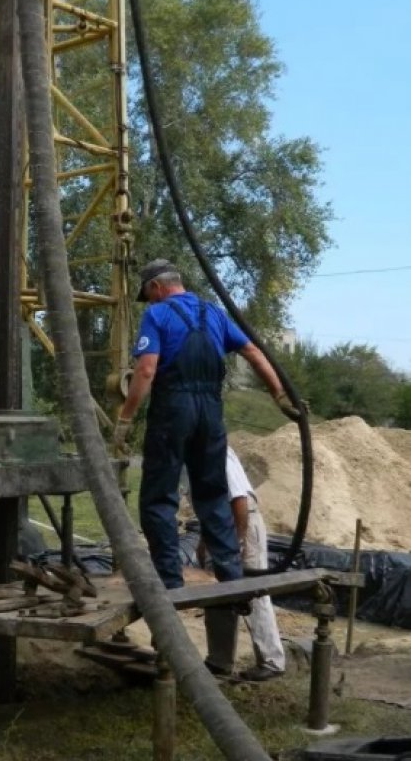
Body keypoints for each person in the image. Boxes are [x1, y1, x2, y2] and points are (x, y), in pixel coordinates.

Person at [113, 259, 299, 674]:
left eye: (149, 292)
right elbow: (253, 350)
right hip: (211, 411)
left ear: (158, 287)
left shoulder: (157, 314)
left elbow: (146, 369)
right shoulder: (214, 312)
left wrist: (125, 418)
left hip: (173, 407)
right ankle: (232, 583)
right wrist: (279, 395)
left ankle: (169, 582)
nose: (149, 298)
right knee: (212, 495)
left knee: (157, 497)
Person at [196, 447, 286, 682]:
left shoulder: (216, 451)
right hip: (217, 525)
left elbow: (239, 500)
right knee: (217, 592)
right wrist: (203, 541)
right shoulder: (189, 457)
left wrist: (239, 539)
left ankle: (271, 661)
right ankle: (219, 660)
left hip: (241, 520)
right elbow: (208, 505)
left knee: (252, 590)